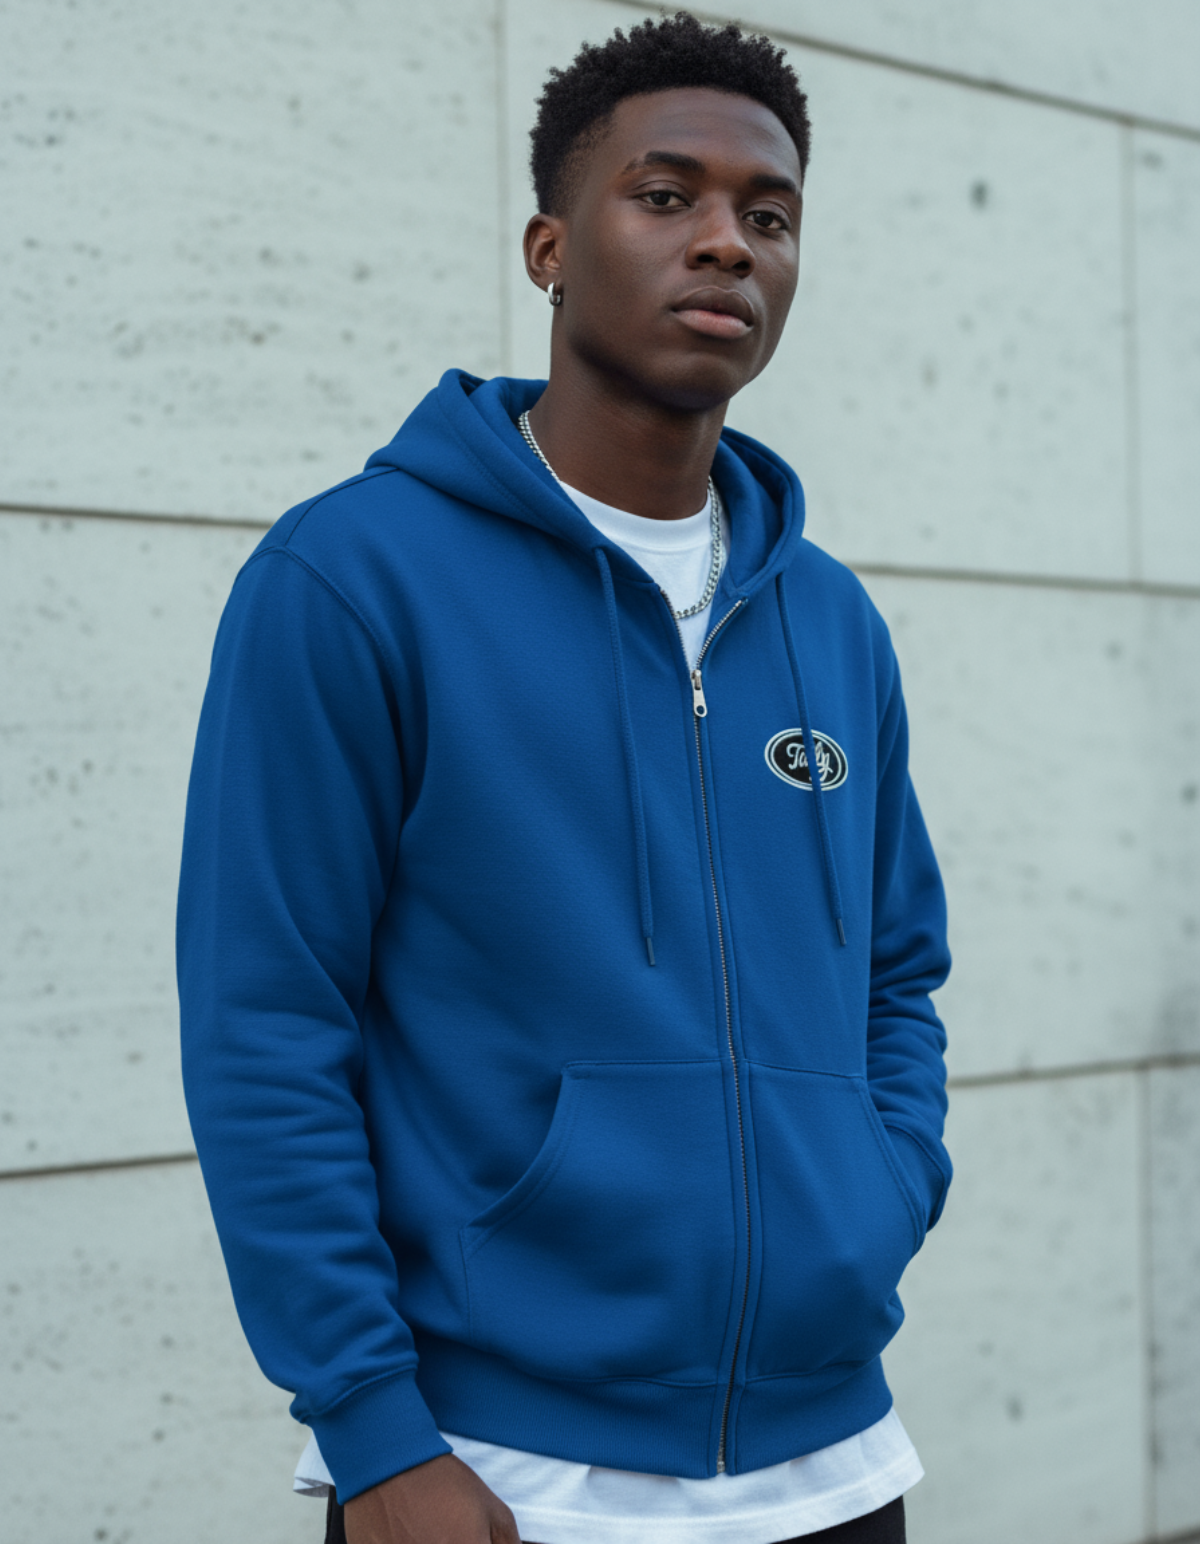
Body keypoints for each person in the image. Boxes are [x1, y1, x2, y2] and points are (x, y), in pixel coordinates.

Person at [177, 14, 951, 1544]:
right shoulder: (353, 581)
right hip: (498, 1471)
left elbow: (896, 977)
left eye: (770, 216)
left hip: (835, 1462)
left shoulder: (831, 623)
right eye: (665, 197)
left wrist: (878, 1192)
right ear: (549, 248)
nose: (726, 243)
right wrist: (373, 1433)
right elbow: (267, 1023)